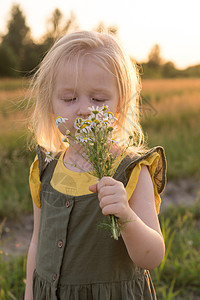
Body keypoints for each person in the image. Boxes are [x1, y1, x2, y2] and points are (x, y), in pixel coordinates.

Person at [25, 30, 167, 300]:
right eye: (69, 99)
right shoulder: (45, 168)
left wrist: (125, 215)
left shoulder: (132, 170)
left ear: (119, 106)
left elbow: (153, 256)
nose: (84, 110)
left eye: (98, 100)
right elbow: (36, 243)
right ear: (51, 104)